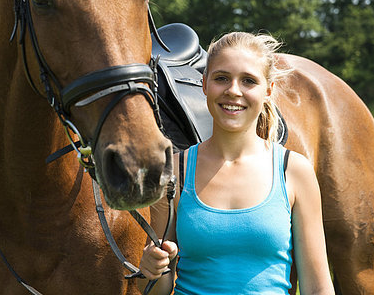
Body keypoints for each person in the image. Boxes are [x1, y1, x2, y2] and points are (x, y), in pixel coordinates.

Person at [137, 32, 334, 295]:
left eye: (248, 81)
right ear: (204, 84)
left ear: (268, 90)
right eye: (221, 78)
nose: (233, 90)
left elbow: (317, 287)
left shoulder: (294, 171)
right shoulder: (175, 171)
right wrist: (153, 267)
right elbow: (155, 291)